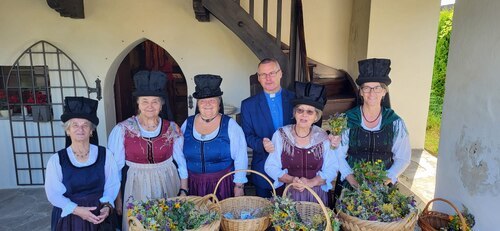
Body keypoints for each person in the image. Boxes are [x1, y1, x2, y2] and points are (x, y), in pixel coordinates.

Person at [107, 70, 188, 229]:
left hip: (168, 181)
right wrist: (117, 199)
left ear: (162, 104)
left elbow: (181, 162)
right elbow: (114, 169)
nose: (150, 106)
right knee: (140, 224)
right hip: (136, 184)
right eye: (145, 101)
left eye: (155, 101)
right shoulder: (122, 129)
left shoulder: (172, 128)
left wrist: (184, 190)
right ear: (138, 103)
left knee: (169, 223)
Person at [335, 58, 411, 191]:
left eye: (377, 88)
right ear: (360, 92)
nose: (371, 93)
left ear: (384, 92)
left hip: (384, 185)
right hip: (352, 183)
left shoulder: (395, 122)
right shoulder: (348, 119)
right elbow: (338, 155)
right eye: (366, 88)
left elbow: (403, 158)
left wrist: (385, 180)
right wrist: (353, 182)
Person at [45, 96, 120, 231]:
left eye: (85, 125)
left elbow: (112, 184)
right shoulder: (57, 160)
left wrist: (107, 206)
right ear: (68, 130)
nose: (80, 129)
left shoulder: (106, 155)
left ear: (91, 131)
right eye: (75, 125)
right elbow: (53, 194)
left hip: (100, 216)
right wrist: (76, 210)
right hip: (71, 218)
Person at [264, 82, 339, 204]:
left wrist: (311, 182)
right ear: (294, 113)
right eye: (300, 110)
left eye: (310, 112)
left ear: (316, 117)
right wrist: (292, 179)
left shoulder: (323, 137)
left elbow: (332, 168)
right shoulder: (281, 135)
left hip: (317, 197)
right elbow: (271, 166)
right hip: (288, 196)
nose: (304, 115)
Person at [181, 74, 248, 200]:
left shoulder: (230, 125)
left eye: (212, 100)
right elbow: (179, 157)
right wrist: (184, 187)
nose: (207, 104)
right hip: (193, 185)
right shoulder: (187, 124)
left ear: (219, 103)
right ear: (197, 104)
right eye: (202, 100)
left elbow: (240, 157)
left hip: (222, 185)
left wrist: (239, 186)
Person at [240, 58, 295, 198]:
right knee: (264, 214)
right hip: (263, 168)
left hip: (294, 169)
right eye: (263, 74)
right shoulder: (248, 105)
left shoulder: (296, 100)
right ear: (258, 78)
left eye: (272, 73)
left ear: (280, 73)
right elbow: (247, 135)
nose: (268, 78)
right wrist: (261, 144)